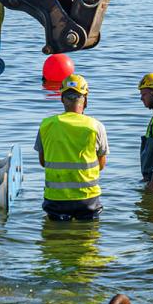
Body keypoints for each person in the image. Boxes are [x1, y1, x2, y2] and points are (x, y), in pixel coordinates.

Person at [36, 74, 108, 220]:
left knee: (54, 239)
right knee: (88, 238)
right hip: (87, 198)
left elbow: (43, 162)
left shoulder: (46, 125)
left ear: (62, 99)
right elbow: (101, 165)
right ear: (85, 99)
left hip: (56, 199)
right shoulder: (96, 126)